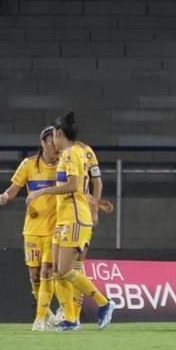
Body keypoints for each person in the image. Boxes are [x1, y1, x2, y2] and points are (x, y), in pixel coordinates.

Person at [25, 111, 114, 330]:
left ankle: (104, 303)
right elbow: (85, 187)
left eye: (54, 135)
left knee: (65, 270)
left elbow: (74, 186)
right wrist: (95, 202)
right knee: (57, 271)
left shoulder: (70, 154)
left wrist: (42, 192)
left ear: (59, 134)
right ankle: (71, 319)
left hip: (74, 219)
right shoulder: (77, 152)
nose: (52, 142)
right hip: (65, 218)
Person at [0, 126, 60, 331]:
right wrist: (5, 197)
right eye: (52, 141)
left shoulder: (64, 165)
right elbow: (13, 190)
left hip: (55, 228)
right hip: (32, 229)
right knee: (34, 275)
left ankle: (40, 319)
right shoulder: (29, 165)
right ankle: (48, 314)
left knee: (47, 271)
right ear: (43, 143)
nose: (56, 145)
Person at [53, 138, 104, 327]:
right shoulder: (58, 153)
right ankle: (70, 315)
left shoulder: (85, 151)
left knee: (74, 265)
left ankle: (76, 313)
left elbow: (96, 181)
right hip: (61, 216)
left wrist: (95, 208)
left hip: (78, 215)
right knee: (60, 269)